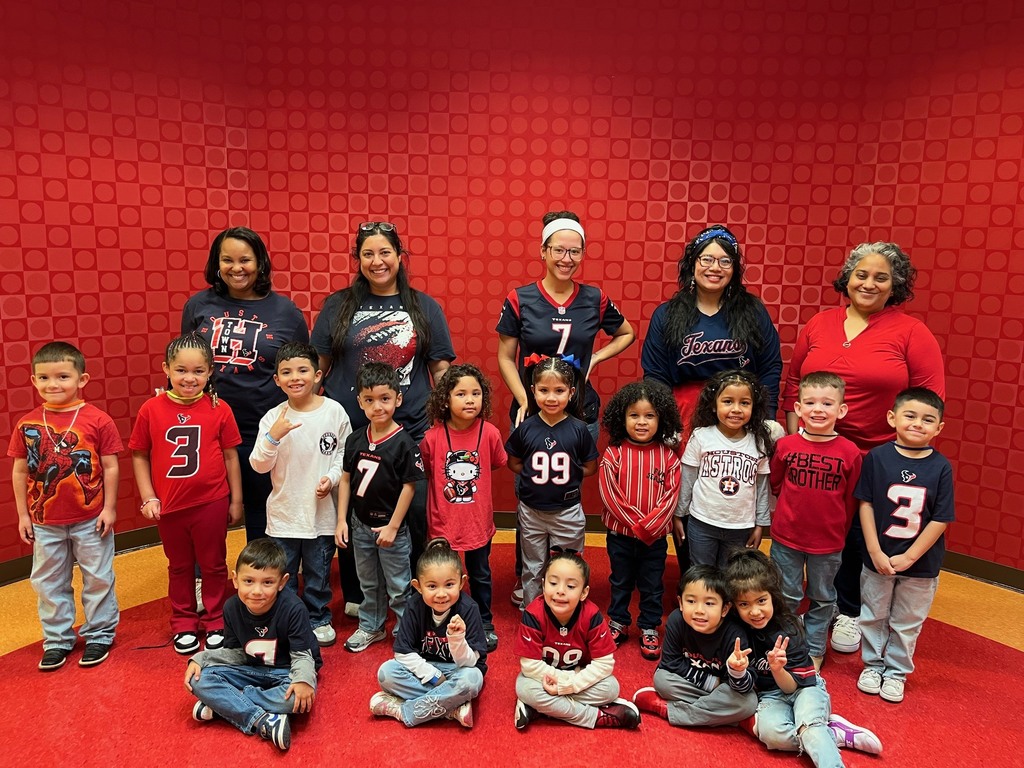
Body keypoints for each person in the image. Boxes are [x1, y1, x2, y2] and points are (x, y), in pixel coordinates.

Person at [781, 242, 945, 656]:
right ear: (847, 278)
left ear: (897, 286)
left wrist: (902, 455)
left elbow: (926, 401)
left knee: (856, 533)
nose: (869, 283)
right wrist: (794, 438)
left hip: (878, 456)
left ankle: (849, 611)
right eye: (862, 274)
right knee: (810, 526)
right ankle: (809, 607)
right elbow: (793, 384)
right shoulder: (821, 323)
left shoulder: (911, 332)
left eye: (881, 277)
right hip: (817, 448)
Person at [496, 210, 635, 605]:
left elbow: (626, 332)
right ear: (544, 251)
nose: (566, 258)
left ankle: (566, 584)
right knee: (531, 493)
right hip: (533, 409)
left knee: (568, 496)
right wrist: (524, 399)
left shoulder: (594, 297)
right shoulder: (519, 298)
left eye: (575, 251)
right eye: (559, 250)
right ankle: (531, 583)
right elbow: (506, 357)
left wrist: (595, 359)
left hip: (579, 412)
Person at [311, 220, 455, 575]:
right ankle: (359, 593)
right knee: (352, 512)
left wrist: (452, 418)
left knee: (415, 511)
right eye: (368, 253)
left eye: (385, 252)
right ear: (358, 259)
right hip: (351, 429)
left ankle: (420, 586)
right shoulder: (337, 305)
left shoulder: (424, 307)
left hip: (410, 431)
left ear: (400, 256)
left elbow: (440, 370)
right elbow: (318, 367)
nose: (378, 261)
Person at [641, 224, 782, 577]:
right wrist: (665, 423)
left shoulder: (751, 311)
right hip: (686, 415)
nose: (714, 267)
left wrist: (766, 419)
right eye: (707, 259)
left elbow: (770, 367)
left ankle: (732, 582)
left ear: (734, 268)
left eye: (724, 260)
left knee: (733, 490)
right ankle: (695, 581)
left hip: (740, 414)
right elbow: (655, 374)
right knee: (689, 491)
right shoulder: (668, 313)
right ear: (692, 263)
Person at [181, 226, 309, 543]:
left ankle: (264, 581)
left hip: (262, 427)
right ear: (216, 263)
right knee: (206, 510)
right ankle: (204, 578)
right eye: (227, 260)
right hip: (208, 426)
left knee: (261, 509)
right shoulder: (197, 306)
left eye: (245, 260)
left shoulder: (286, 312)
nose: (236, 268)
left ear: (260, 263)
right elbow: (182, 363)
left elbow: (302, 372)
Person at [8, 342, 122, 670]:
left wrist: (109, 508)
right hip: (45, 521)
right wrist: (22, 515)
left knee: (98, 576)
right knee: (48, 580)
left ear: (81, 379)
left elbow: (111, 466)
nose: (53, 384)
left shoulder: (97, 419)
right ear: (33, 381)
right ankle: (57, 638)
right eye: (43, 377)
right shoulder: (27, 424)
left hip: (91, 518)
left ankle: (100, 633)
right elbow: (19, 470)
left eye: (62, 376)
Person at [129, 332, 243, 654]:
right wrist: (148, 496)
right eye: (181, 370)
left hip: (211, 501)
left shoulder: (219, 408)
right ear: (166, 369)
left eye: (197, 371)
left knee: (213, 563)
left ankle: (216, 618)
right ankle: (183, 621)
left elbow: (231, 455)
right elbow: (139, 454)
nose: (189, 378)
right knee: (179, 566)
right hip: (170, 506)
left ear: (209, 372)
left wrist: (235, 500)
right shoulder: (151, 409)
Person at [725, 550, 883, 766]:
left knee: (808, 727)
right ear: (734, 606)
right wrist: (737, 669)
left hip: (804, 688)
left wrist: (778, 669)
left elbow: (792, 688)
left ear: (773, 596)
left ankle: (818, 736)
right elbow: (745, 685)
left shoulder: (788, 628)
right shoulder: (737, 634)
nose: (755, 611)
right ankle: (831, 733)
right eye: (744, 604)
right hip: (771, 696)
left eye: (761, 600)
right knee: (772, 735)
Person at [249, 341, 352, 647]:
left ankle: (318, 617)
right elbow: (258, 464)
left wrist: (331, 479)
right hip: (283, 516)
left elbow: (342, 455)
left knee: (318, 573)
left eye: (303, 370)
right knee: (285, 573)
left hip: (321, 516)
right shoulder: (273, 418)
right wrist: (273, 437)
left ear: (318, 375)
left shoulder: (334, 412)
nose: (296, 377)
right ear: (277, 379)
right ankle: (288, 619)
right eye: (287, 372)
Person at [855, 387, 954, 704]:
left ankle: (896, 672)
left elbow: (941, 518)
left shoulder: (941, 467)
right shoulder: (877, 457)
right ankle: (872, 665)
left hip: (921, 565)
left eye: (928, 419)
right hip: (879, 557)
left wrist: (912, 555)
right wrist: (873, 550)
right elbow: (866, 504)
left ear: (938, 428)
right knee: (873, 615)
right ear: (892, 417)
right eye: (910, 415)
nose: (917, 423)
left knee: (907, 622)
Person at [185, 539, 322, 753]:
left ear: (282, 582)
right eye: (248, 581)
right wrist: (202, 659)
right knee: (198, 679)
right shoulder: (231, 607)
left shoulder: (294, 608)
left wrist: (303, 679)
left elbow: (303, 656)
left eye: (267, 582)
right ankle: (263, 720)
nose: (257, 591)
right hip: (252, 668)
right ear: (236, 579)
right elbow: (235, 653)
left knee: (299, 698)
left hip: (286, 671)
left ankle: (226, 705)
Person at [769, 371, 862, 669]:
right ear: (798, 409)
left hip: (828, 542)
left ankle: (812, 649)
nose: (818, 409)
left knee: (822, 597)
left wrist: (839, 534)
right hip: (786, 537)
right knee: (787, 595)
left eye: (827, 403)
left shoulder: (850, 452)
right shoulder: (786, 447)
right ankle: (784, 646)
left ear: (841, 410)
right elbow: (776, 483)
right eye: (809, 402)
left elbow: (851, 501)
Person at [335, 362, 424, 653]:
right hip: (360, 524)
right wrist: (342, 520)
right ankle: (371, 626)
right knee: (368, 582)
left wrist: (394, 526)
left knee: (399, 585)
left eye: (385, 399)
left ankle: (405, 631)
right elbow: (346, 480)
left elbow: (410, 487)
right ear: (360, 401)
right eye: (370, 400)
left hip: (390, 527)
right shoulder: (355, 439)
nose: (378, 407)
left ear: (398, 399)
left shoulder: (403, 443)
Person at [421, 363, 507, 651]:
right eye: (461, 394)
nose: (470, 399)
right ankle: (444, 622)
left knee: (480, 574)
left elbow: (495, 462)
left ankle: (483, 621)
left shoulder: (491, 433)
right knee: (444, 577)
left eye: (476, 393)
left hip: (477, 523)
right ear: (445, 399)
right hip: (442, 524)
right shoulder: (432, 438)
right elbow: (429, 471)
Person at [598, 380, 683, 661]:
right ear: (622, 419)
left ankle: (649, 626)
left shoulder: (669, 457)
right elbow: (611, 496)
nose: (642, 422)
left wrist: (648, 529)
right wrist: (637, 526)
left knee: (652, 584)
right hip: (620, 536)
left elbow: (670, 498)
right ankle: (619, 621)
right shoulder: (614, 454)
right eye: (634, 415)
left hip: (655, 539)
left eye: (650, 416)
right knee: (620, 581)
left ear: (662, 419)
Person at [505, 357, 599, 608]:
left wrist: (566, 474)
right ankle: (533, 612)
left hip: (567, 512)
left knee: (567, 565)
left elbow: (590, 466)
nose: (551, 397)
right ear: (533, 391)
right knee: (532, 565)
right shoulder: (525, 428)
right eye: (544, 390)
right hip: (531, 511)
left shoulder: (579, 429)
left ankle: (565, 610)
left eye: (559, 391)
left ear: (571, 392)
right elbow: (513, 462)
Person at [513, 549, 641, 731]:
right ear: (543, 585)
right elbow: (530, 666)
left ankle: (540, 709)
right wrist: (562, 684)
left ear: (584, 592)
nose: (560, 591)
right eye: (553, 583)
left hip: (577, 676)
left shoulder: (592, 615)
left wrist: (568, 685)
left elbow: (604, 664)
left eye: (571, 586)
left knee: (611, 688)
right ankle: (596, 716)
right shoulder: (533, 614)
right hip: (543, 678)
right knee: (524, 688)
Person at [369, 538, 487, 728]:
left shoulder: (469, 608)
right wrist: (435, 677)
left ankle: (405, 711)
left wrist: (456, 639)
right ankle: (451, 707)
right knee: (386, 673)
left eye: (449, 585)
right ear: (418, 586)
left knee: (472, 680)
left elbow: (472, 662)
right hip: (426, 668)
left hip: (458, 670)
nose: (441, 594)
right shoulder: (414, 606)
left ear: (461, 582)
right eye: (432, 586)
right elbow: (403, 653)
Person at [631, 564, 757, 728]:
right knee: (662, 680)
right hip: (701, 685)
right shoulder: (677, 620)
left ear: (725, 608)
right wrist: (713, 684)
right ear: (681, 603)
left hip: (725, 688)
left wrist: (737, 671)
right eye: (691, 601)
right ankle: (731, 718)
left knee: (748, 701)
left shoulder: (735, 634)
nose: (699, 610)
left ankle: (669, 710)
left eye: (709, 603)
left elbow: (740, 685)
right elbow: (670, 663)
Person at [674, 369, 775, 568]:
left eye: (744, 403)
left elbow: (762, 488)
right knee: (702, 573)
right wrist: (679, 515)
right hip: (702, 522)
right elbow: (688, 478)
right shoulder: (701, 436)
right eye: (728, 401)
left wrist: (760, 524)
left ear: (754, 407)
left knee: (730, 575)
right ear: (714, 405)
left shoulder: (759, 442)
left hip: (741, 527)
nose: (736, 409)